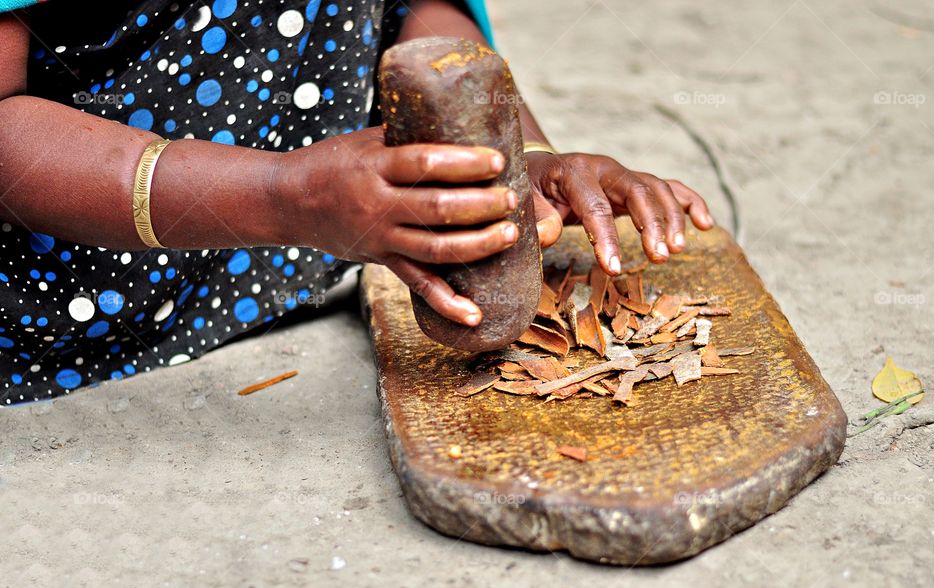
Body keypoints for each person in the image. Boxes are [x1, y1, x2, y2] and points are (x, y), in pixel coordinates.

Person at [0, 0, 713, 405]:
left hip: (297, 266)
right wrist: (285, 195)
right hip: (63, 316)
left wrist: (517, 156)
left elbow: (422, 12)